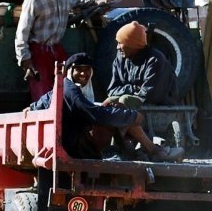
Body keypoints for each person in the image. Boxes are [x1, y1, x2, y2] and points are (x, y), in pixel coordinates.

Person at [25, 53, 183, 162]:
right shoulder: (70, 90)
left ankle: (137, 151)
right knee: (121, 112)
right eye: (79, 69)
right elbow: (95, 114)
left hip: (73, 137)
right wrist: (131, 116)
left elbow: (43, 102)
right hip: (74, 144)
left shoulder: (64, 88)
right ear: (69, 71)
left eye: (87, 70)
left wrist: (30, 108)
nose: (83, 74)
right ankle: (153, 150)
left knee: (116, 106)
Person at [14, 0, 72, 101]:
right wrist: (25, 59)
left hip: (57, 51)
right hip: (38, 52)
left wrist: (94, 3)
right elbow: (22, 32)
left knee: (67, 90)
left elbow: (75, 2)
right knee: (43, 95)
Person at [104, 21, 178, 109]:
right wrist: (134, 88)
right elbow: (112, 90)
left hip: (160, 104)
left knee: (125, 99)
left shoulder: (155, 60)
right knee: (109, 101)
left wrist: (130, 93)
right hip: (138, 99)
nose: (117, 47)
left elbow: (150, 94)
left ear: (132, 44)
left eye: (120, 43)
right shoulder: (120, 60)